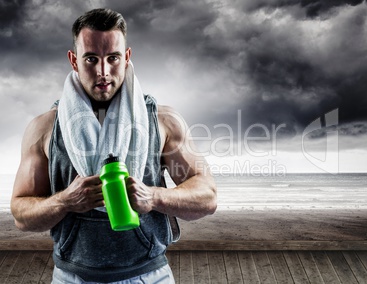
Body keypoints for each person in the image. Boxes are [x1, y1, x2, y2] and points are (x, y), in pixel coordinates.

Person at [11, 8, 217, 283]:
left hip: (149, 275)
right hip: (72, 277)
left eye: (113, 58)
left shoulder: (162, 121)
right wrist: (65, 202)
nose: (103, 71)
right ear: (74, 60)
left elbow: (208, 197)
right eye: (91, 59)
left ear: (127, 57)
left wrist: (154, 197)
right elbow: (21, 215)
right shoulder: (45, 128)